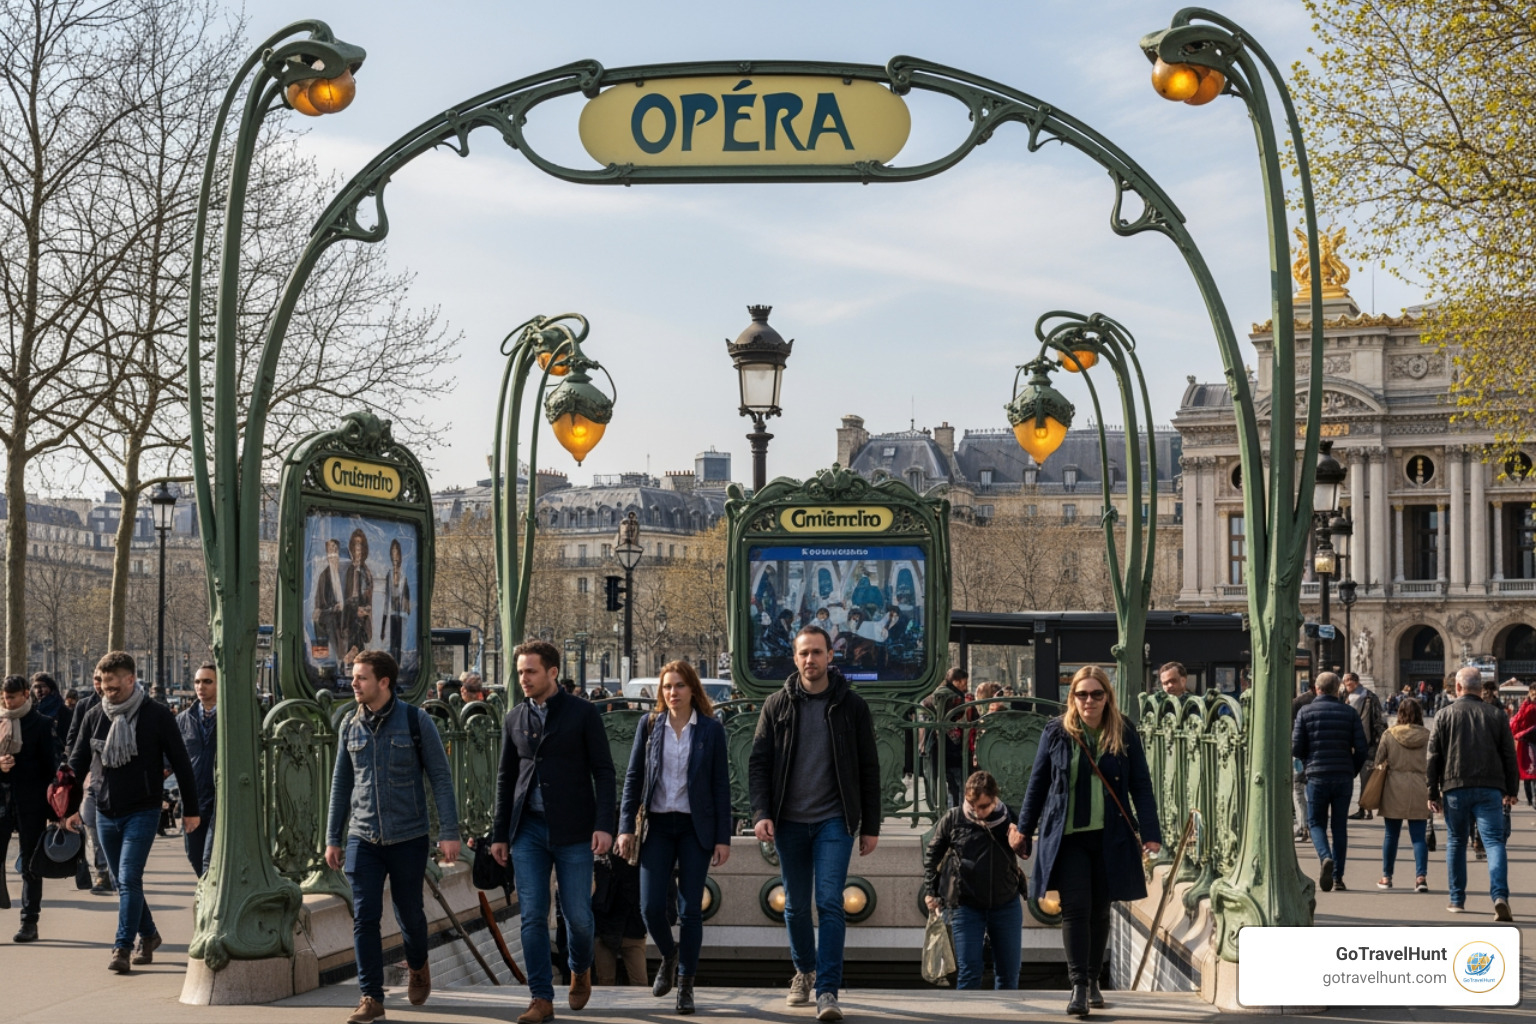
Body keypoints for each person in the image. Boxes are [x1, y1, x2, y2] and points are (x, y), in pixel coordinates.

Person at [749, 625, 881, 1023]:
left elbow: (869, 767)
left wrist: (871, 824)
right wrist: (761, 813)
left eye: (817, 652)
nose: (811, 660)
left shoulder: (851, 706)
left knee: (828, 902)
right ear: (795, 658)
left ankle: (827, 989)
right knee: (794, 906)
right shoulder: (776, 705)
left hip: (833, 821)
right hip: (788, 821)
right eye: (804, 653)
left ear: (830, 656)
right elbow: (759, 763)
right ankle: (804, 970)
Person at [1014, 666, 1161, 1017]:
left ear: (1107, 696)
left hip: (1111, 837)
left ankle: (1094, 979)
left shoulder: (1124, 731)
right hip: (1068, 838)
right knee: (1076, 909)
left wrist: (1152, 833)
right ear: (1072, 698)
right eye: (1082, 694)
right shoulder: (1055, 731)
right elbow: (1038, 784)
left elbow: (1140, 784)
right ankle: (1079, 985)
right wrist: (1024, 828)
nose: (1089, 701)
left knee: (1100, 910)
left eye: (1097, 694)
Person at [324, 650, 461, 1024]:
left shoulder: (416, 722)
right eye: (353, 677)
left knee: (410, 915)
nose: (353, 683)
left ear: (384, 682)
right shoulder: (349, 725)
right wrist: (332, 837)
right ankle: (371, 996)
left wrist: (450, 833)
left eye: (361, 677)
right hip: (363, 836)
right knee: (364, 916)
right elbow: (341, 784)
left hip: (408, 836)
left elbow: (441, 779)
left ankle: (418, 964)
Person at [490, 640, 616, 1024]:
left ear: (552, 673)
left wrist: (604, 825)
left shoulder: (582, 714)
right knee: (531, 915)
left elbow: (605, 772)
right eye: (520, 671)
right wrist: (499, 833)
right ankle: (540, 998)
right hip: (527, 829)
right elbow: (505, 778)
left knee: (577, 915)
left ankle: (580, 968)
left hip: (575, 829)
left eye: (530, 671)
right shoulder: (514, 717)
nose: (523, 678)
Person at [63, 652, 199, 974]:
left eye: (114, 687)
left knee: (128, 876)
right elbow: (78, 761)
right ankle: (149, 935)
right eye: (104, 687)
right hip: (105, 810)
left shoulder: (157, 715)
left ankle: (122, 946)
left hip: (144, 808)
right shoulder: (94, 715)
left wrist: (190, 810)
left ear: (130, 680)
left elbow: (181, 762)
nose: (108, 693)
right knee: (123, 882)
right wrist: (69, 807)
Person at [616, 660, 732, 1015]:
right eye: (667, 687)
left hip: (695, 827)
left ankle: (686, 984)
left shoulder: (710, 730)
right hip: (657, 826)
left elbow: (720, 787)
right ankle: (669, 955)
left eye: (679, 686)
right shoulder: (650, 725)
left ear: (692, 689)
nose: (672, 692)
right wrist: (624, 828)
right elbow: (633, 777)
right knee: (650, 907)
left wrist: (722, 837)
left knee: (690, 911)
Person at [1427, 665, 1519, 920]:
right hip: (1490, 788)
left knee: (1456, 842)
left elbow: (1433, 756)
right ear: (1480, 688)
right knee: (1493, 842)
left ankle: (1457, 899)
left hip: (1455, 787)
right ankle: (1500, 896)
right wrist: (1512, 790)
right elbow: (1509, 755)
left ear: (1458, 687)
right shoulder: (1496, 715)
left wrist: (1432, 792)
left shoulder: (1444, 715)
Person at [922, 770, 1024, 990]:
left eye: (984, 806)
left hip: (1005, 902)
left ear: (995, 799)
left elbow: (1026, 851)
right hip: (965, 904)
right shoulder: (954, 817)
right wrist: (930, 890)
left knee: (1008, 974)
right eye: (972, 804)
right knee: (969, 972)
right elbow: (932, 854)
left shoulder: (1009, 818)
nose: (977, 812)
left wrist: (1018, 842)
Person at [1292, 672, 1367, 893]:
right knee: (1340, 826)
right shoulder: (1349, 713)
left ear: (1317, 689)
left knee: (1316, 823)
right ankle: (1338, 878)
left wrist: (1309, 762)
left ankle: (1325, 857)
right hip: (1343, 774)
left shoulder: (1305, 712)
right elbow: (1362, 747)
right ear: (1338, 690)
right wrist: (1351, 768)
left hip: (1317, 775)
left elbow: (1296, 747)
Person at [1, 674, 58, 941]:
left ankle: (29, 921)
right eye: (4, 697)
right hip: (2, 801)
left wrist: (55, 812)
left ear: (26, 694)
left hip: (31, 802)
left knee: (30, 865)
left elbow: (51, 768)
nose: (7, 702)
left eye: (12, 697)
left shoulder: (42, 724)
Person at [1374, 697, 1430, 893]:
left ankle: (1386, 877)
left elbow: (1379, 759)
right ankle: (1421, 877)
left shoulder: (1389, 734)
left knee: (1391, 835)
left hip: (1394, 785)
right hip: (1419, 785)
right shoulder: (1428, 736)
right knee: (1418, 837)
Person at [65, 667, 112, 893]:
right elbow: (73, 739)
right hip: (90, 776)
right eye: (95, 679)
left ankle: (115, 870)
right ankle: (102, 872)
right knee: (92, 824)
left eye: (100, 679)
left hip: (116, 777)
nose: (97, 683)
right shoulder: (85, 707)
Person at [175, 663, 218, 877]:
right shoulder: (182, 720)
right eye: (198, 682)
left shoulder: (232, 719)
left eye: (208, 681)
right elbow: (169, 760)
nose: (201, 687)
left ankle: (211, 903)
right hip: (193, 799)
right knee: (194, 854)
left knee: (208, 859)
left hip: (220, 801)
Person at [590, 853, 646, 988]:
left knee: (638, 983)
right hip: (606, 926)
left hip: (630, 926)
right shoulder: (600, 861)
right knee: (606, 982)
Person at [922, 668, 972, 809]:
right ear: (956, 681)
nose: (965, 685)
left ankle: (944, 810)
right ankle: (957, 810)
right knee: (957, 780)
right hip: (951, 745)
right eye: (963, 682)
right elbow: (953, 719)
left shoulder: (935, 693)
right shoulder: (954, 697)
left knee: (944, 781)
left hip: (934, 742)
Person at [1344, 672, 1387, 819]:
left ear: (1353, 681)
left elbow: (1378, 721)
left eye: (1346, 681)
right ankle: (1363, 808)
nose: (1345, 684)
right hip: (1349, 741)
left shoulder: (1369, 697)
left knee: (1365, 776)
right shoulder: (1345, 696)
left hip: (1366, 742)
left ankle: (1365, 808)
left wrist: (1380, 742)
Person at [313, 537, 349, 671]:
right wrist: (334, 608)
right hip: (331, 620)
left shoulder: (345, 573)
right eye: (330, 551)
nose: (333, 555)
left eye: (335, 550)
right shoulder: (324, 576)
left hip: (345, 619)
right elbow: (319, 606)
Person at [343, 528, 375, 665]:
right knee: (351, 650)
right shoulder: (348, 571)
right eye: (356, 545)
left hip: (362, 620)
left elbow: (370, 600)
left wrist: (366, 611)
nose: (358, 549)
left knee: (360, 652)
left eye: (361, 545)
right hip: (349, 617)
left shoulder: (366, 572)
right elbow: (343, 596)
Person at [384, 538, 411, 664]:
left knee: (399, 644)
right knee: (391, 643)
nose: (395, 556)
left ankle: (397, 664)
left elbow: (407, 597)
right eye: (393, 553)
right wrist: (383, 624)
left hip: (401, 615)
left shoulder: (404, 576)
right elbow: (386, 598)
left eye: (397, 553)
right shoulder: (388, 574)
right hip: (391, 614)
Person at [1509, 680, 1536, 808]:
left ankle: (1532, 799)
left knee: (1529, 772)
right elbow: (1516, 723)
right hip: (1527, 742)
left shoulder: (1527, 706)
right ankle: (1531, 799)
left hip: (1527, 742)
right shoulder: (1526, 706)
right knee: (1527, 772)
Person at [28, 673, 69, 751]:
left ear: (51, 688)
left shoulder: (61, 710)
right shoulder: (30, 709)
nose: (39, 690)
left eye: (43, 686)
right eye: (35, 687)